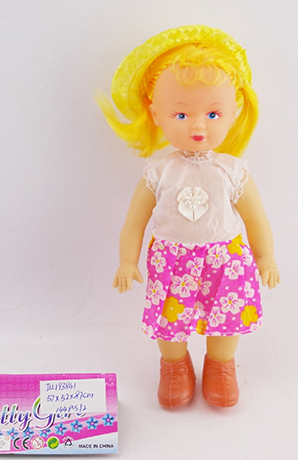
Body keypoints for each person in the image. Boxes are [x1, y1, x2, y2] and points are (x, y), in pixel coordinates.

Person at [98, 25, 280, 408]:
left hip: (226, 259)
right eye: (181, 113)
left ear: (234, 113)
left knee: (227, 319)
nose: (199, 125)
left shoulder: (233, 171)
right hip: (172, 260)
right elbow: (134, 222)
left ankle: (220, 366)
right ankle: (174, 366)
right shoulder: (159, 172)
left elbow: (256, 219)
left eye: (213, 113)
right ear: (156, 114)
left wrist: (265, 256)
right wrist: (128, 261)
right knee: (170, 322)